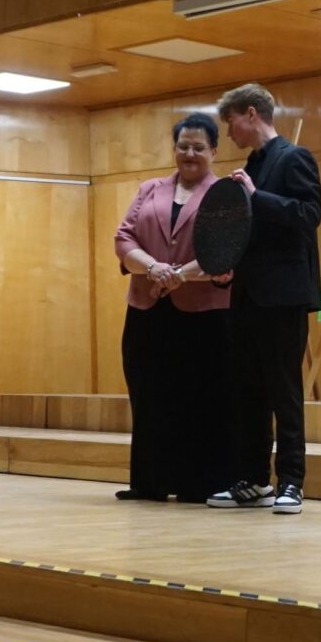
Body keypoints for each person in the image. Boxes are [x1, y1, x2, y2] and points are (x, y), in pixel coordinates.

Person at [210, 83, 321, 514]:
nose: (229, 133)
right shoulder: (251, 165)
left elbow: (309, 214)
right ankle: (255, 480)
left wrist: (258, 197)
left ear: (251, 114)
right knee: (249, 391)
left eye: (231, 122)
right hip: (247, 295)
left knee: (284, 391)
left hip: (283, 296)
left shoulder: (294, 157)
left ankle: (291, 481)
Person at [112, 113, 235, 502]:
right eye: (183, 146)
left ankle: (197, 484)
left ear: (214, 151)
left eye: (198, 147)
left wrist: (180, 274)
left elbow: (225, 250)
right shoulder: (150, 189)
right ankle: (150, 482)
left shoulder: (226, 193)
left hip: (205, 314)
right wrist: (154, 267)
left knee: (199, 396)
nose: (190, 154)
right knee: (149, 393)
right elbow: (124, 238)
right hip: (147, 309)